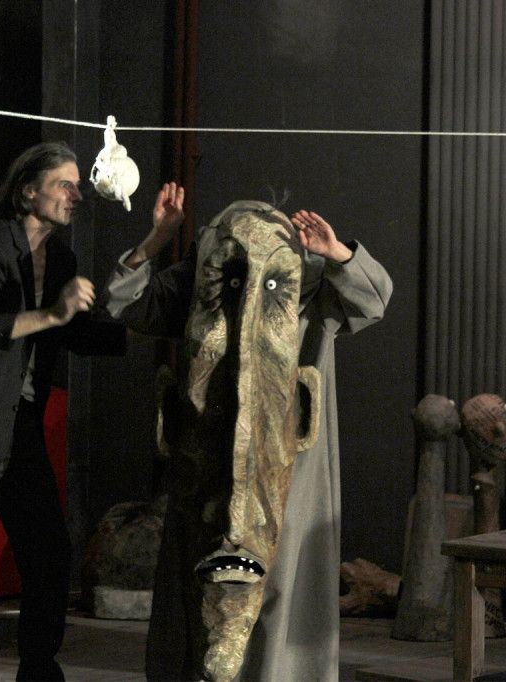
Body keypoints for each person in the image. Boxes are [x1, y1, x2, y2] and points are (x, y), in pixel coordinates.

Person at [0, 141, 183, 681]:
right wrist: (52, 313)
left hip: (23, 430)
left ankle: (39, 670)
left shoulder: (61, 259)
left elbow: (78, 332)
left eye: (79, 185)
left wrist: (154, 262)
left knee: (49, 554)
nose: (76, 194)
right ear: (28, 191)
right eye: (65, 184)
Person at [104, 197, 392, 680]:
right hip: (204, 473)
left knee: (280, 587)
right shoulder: (200, 288)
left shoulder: (309, 291)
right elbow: (126, 302)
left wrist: (337, 253)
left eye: (270, 280)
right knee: (200, 590)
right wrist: (157, 240)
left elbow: (372, 300)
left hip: (287, 475)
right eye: (235, 277)